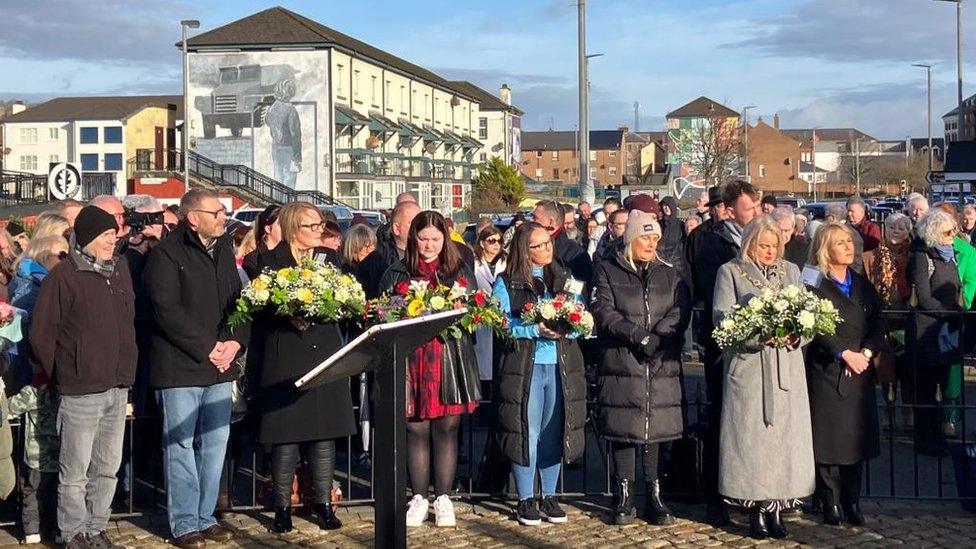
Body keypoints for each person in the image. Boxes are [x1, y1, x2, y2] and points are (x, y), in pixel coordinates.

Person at [144, 189, 247, 548]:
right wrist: (208, 348)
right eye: (216, 211)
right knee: (181, 445)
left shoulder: (222, 251)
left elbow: (239, 302)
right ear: (193, 218)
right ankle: (185, 522)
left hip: (221, 365)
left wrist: (235, 341)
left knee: (217, 442)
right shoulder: (165, 256)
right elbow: (167, 311)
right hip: (181, 367)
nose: (223, 216)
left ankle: (205, 516)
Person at [30, 206, 135, 549]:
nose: (112, 241)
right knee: (74, 472)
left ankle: (96, 527)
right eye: (106, 236)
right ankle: (73, 532)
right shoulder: (64, 276)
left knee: (107, 467)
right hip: (79, 390)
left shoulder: (120, 270)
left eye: (113, 236)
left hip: (117, 386)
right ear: (88, 239)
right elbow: (42, 334)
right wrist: (65, 372)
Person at [253, 202, 356, 533]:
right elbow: (259, 305)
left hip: (323, 351)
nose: (319, 232)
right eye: (312, 227)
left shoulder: (329, 259)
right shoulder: (267, 260)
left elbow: (344, 297)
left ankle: (323, 503)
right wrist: (288, 309)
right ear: (293, 227)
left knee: (323, 433)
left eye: (320, 226)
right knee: (287, 436)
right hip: (287, 354)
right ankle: (282, 506)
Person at [712, 215, 815, 539]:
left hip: (786, 370)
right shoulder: (730, 272)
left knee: (784, 442)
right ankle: (755, 507)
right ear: (750, 244)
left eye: (774, 246)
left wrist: (799, 334)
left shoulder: (792, 272)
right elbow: (722, 320)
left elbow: (808, 316)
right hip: (751, 370)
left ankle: (779, 507)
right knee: (753, 443)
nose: (769, 252)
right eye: (763, 245)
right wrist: (757, 334)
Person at [380, 211, 480, 528]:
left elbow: (474, 313)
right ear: (413, 238)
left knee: (447, 430)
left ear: (445, 239)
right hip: (412, 359)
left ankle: (444, 497)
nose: (429, 245)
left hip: (449, 358)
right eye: (423, 238)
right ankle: (420, 496)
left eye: (435, 239)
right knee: (416, 429)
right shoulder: (397, 272)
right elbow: (381, 313)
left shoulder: (458, 271)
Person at [591, 211, 691, 526]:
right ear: (632, 239)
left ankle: (654, 494)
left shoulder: (670, 273)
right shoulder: (608, 270)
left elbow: (680, 309)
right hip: (623, 358)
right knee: (625, 426)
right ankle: (624, 494)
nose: (651, 243)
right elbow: (604, 310)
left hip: (660, 361)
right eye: (645, 237)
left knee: (655, 429)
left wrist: (659, 338)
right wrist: (638, 336)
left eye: (655, 238)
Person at [493, 222, 586, 526]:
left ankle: (549, 494)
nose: (547, 249)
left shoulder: (564, 277)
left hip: (559, 364)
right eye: (540, 245)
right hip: (526, 366)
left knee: (553, 430)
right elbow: (500, 324)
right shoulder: (507, 282)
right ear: (525, 250)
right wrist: (533, 329)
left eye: (549, 243)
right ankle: (525, 497)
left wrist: (571, 326)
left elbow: (581, 315)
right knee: (526, 430)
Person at [805, 222, 883, 526]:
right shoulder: (813, 280)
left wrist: (865, 352)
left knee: (856, 441)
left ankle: (853, 501)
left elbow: (878, 320)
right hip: (829, 368)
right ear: (826, 249)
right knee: (828, 441)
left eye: (850, 242)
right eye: (841, 243)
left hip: (859, 369)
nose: (849, 247)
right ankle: (830, 502)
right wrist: (842, 352)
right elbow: (809, 321)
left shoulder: (861, 283)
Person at [693, 180, 759, 525]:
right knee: (723, 417)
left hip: (758, 349)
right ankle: (717, 497)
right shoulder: (712, 243)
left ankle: (754, 494)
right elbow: (712, 291)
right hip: (723, 344)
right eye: (750, 209)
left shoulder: (759, 241)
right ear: (730, 211)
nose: (756, 213)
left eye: (758, 207)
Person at [907, 209, 963, 456]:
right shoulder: (922, 256)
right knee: (926, 389)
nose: (953, 235)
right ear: (934, 233)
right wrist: (948, 313)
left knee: (940, 386)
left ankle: (938, 436)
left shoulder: (950, 256)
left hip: (945, 330)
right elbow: (924, 296)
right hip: (926, 331)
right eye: (948, 232)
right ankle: (925, 439)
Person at [863, 213, 913, 431]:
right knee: (885, 370)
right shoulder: (870, 257)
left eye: (902, 227)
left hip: (907, 318)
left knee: (908, 371)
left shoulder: (914, 256)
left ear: (908, 231)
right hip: (882, 318)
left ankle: (909, 414)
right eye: (892, 226)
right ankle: (888, 414)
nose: (896, 230)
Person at [9, 236, 68, 394]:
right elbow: (32, 325)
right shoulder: (29, 283)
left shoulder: (39, 280)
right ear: (45, 256)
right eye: (62, 255)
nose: (66, 260)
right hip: (30, 366)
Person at [359, 201, 421, 298]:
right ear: (396, 228)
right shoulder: (377, 260)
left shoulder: (432, 257)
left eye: (421, 223)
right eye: (412, 223)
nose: (419, 228)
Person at [473, 225, 506, 382]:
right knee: (483, 363)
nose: (496, 244)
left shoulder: (507, 263)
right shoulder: (474, 265)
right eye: (491, 241)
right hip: (481, 319)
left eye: (499, 241)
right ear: (481, 243)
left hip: (501, 318)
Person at [533, 200, 591, 285]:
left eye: (535, 218)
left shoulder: (575, 254)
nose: (532, 222)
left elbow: (584, 289)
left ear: (551, 222)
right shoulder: (528, 245)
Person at [266, 78, 302, 188]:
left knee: (278, 176)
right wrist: (297, 157)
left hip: (276, 147)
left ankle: (278, 202)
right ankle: (288, 203)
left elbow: (267, 121)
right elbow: (295, 135)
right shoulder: (291, 109)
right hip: (289, 148)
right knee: (289, 179)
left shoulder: (272, 108)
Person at [242, 205, 281, 280]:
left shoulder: (288, 254)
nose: (286, 228)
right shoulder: (253, 259)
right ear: (268, 229)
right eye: (281, 225)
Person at [658, 196, 686, 268]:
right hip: (660, 262)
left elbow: (682, 243)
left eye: (668, 205)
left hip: (677, 263)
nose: (666, 208)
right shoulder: (659, 224)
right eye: (664, 206)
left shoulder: (680, 225)